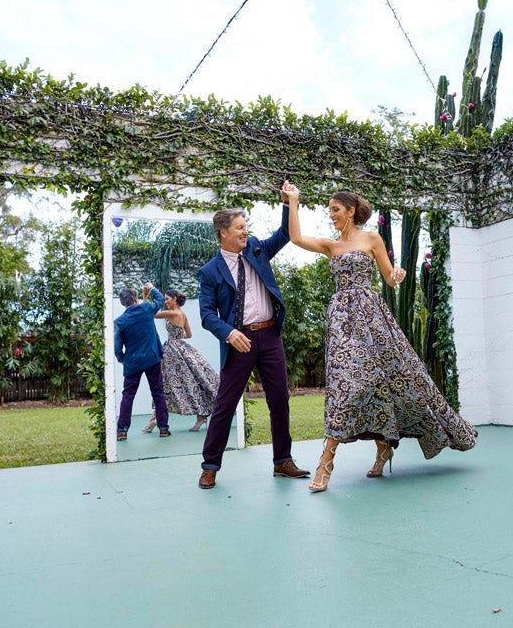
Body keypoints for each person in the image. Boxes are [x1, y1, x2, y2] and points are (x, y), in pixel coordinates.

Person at [282, 181, 477, 492]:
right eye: (330, 210)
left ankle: (377, 448)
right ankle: (330, 460)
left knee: (385, 380)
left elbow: (389, 277)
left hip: (372, 319)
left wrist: (398, 274)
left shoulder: (372, 238)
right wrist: (293, 201)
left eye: (335, 209)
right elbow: (295, 237)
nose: (331, 214)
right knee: (346, 385)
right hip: (342, 323)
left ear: (351, 211)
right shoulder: (330, 245)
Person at [195, 204, 310, 489]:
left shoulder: (257, 249)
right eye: (239, 227)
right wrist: (228, 333)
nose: (245, 231)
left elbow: (285, 233)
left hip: (270, 336)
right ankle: (210, 467)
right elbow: (207, 315)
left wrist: (288, 203)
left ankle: (282, 461)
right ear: (223, 233)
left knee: (279, 400)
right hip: (239, 341)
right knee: (225, 405)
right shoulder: (209, 271)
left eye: (245, 226)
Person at [142, 289, 219, 434]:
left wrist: (145, 296)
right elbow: (189, 335)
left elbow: (149, 313)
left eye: (167, 299)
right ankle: (200, 416)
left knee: (165, 384)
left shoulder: (173, 313)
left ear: (175, 299)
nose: (165, 302)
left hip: (172, 352)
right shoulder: (182, 314)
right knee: (187, 382)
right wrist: (177, 338)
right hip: (180, 348)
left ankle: (154, 420)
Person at [114, 283, 170, 440]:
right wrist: (151, 288)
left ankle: (122, 430)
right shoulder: (146, 309)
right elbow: (160, 299)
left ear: (123, 303)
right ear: (135, 299)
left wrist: (122, 359)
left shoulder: (119, 322)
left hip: (133, 362)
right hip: (152, 358)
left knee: (128, 395)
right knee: (158, 393)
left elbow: (117, 348)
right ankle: (163, 428)